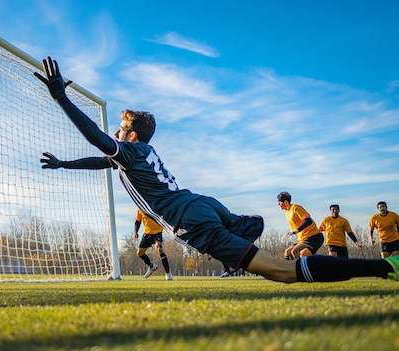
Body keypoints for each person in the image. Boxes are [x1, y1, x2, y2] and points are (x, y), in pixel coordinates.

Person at [34, 56, 399, 283]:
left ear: (130, 135)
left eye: (120, 128)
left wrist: (62, 98)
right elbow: (102, 158)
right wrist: (65, 163)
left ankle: (387, 268)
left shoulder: (129, 150)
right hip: (202, 202)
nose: (116, 131)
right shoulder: (140, 152)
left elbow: (100, 142)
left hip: (190, 219)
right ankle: (248, 226)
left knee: (283, 273)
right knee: (246, 228)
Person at [277, 192, 324, 260]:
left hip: (314, 237)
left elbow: (308, 221)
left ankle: (300, 269)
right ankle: (290, 269)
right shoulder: (287, 213)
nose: (278, 204)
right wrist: (292, 232)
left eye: (279, 202)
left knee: (296, 251)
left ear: (286, 202)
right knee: (288, 252)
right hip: (303, 239)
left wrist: (296, 231)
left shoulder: (296, 208)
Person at [133, 208, 173, 280]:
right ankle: (152, 266)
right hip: (147, 233)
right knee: (139, 253)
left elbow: (166, 215)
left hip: (158, 232)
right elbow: (138, 221)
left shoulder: (156, 204)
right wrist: (136, 231)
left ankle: (168, 274)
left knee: (159, 249)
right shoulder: (140, 208)